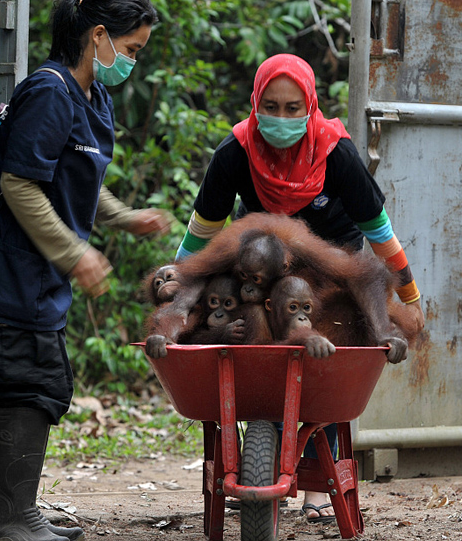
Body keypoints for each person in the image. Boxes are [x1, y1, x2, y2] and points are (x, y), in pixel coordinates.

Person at [0, 0, 171, 541]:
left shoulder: (94, 97)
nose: (134, 61)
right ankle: (11, 519)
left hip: (38, 278)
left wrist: (125, 217)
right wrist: (76, 253)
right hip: (8, 273)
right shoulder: (49, 92)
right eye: (132, 48)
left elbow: (81, 177)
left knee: (40, 383)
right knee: (32, 383)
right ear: (99, 35)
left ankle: (19, 511)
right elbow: (20, 183)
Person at [174, 53, 424, 524]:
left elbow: (379, 232)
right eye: (271, 107)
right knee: (256, 343)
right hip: (264, 263)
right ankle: (260, 456)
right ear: (255, 104)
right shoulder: (236, 151)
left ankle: (314, 485)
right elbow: (203, 229)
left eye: (293, 109)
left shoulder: (336, 152)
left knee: (326, 354)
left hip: (332, 264)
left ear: (310, 106)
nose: (282, 118)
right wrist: (179, 283)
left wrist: (408, 295)